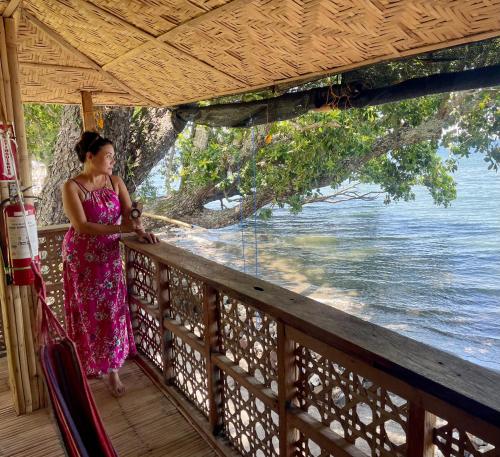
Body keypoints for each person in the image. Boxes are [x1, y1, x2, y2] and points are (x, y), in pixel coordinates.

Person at [61, 131, 158, 397]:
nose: (113, 161)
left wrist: (140, 231)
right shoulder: (72, 187)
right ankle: (89, 363)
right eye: (108, 156)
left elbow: (130, 216)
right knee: (88, 311)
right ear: (90, 157)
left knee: (112, 310)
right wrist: (119, 227)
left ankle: (112, 369)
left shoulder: (115, 182)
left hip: (109, 257)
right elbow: (81, 225)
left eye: (114, 157)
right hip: (81, 257)